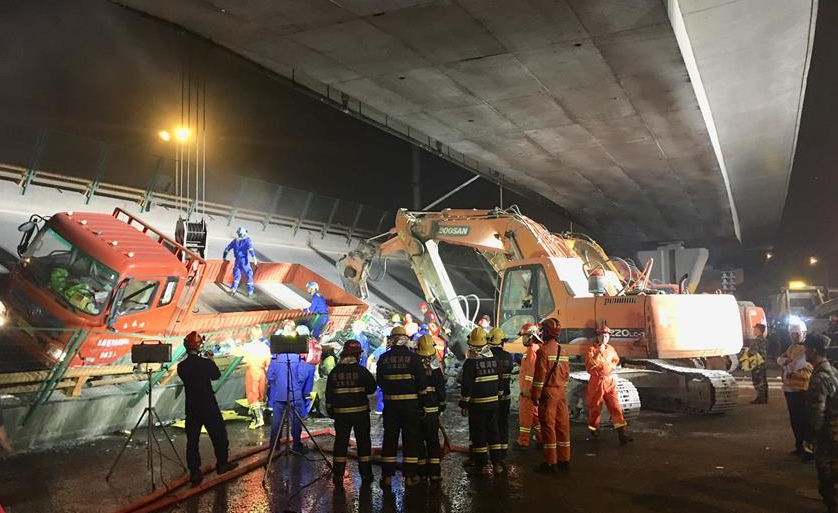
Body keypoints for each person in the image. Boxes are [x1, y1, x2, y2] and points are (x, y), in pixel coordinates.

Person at [177, 331, 238, 485]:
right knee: (219, 436)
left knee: (192, 441)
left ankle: (195, 472)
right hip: (208, 405)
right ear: (199, 346)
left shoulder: (181, 366)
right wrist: (210, 360)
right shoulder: (206, 363)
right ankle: (222, 464)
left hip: (192, 407)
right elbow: (216, 375)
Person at [377, 326, 426, 489]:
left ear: (391, 339)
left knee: (389, 439)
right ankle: (410, 477)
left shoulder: (383, 358)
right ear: (406, 339)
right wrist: (423, 404)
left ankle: (387, 477)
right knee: (410, 440)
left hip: (391, 406)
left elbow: (380, 382)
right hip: (410, 406)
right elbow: (421, 384)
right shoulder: (414, 358)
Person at [326, 339, 377, 486]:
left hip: (341, 414)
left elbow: (329, 395)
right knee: (363, 443)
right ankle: (366, 475)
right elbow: (372, 388)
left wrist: (332, 411)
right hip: (360, 414)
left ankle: (338, 475)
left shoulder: (335, 372)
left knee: (340, 443)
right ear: (356, 355)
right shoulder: (362, 371)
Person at [460, 327, 505, 475]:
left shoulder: (470, 363)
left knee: (478, 434)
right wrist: (498, 397)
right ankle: (497, 464)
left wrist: (464, 403)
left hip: (477, 405)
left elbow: (467, 386)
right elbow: (500, 382)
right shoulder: (495, 360)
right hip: (493, 404)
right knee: (494, 432)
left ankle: (482, 465)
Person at [531, 318, 570, 473]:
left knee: (548, 427)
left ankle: (550, 463)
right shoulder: (563, 350)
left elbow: (539, 377)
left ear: (546, 332)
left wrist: (535, 396)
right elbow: (566, 374)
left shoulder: (543, 351)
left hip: (548, 393)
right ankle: (564, 459)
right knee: (562, 426)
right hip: (561, 392)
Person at [805, 333, 838, 513]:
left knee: (828, 482)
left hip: (828, 437)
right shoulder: (832, 371)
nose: (804, 352)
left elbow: (817, 412)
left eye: (806, 349)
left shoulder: (819, 377)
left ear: (813, 350)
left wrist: (812, 438)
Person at [585, 323, 632, 445]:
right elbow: (590, 366)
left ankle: (622, 433)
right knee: (595, 408)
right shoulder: (592, 349)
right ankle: (594, 432)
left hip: (610, 381)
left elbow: (616, 360)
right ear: (598, 336)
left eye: (607, 336)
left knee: (616, 407)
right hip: (597, 382)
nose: (605, 338)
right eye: (602, 335)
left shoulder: (610, 349)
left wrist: (610, 367)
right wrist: (598, 353)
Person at [778, 319, 814, 460]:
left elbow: (795, 365)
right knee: (795, 420)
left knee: (804, 421)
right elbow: (781, 359)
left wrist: (786, 364)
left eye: (796, 334)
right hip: (790, 389)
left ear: (803, 333)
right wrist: (785, 362)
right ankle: (799, 446)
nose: (794, 336)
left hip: (801, 390)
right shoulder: (791, 347)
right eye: (792, 334)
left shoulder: (806, 349)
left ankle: (808, 451)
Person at [267, 349, 311, 453]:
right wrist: (296, 386)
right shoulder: (299, 359)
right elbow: (302, 376)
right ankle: (296, 446)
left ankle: (274, 446)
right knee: (295, 422)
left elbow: (270, 376)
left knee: (277, 422)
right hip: (294, 395)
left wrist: (278, 386)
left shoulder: (275, 358)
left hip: (279, 395)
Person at [417, 334, 446, 482]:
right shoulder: (436, 371)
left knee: (419, 441)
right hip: (433, 411)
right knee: (433, 441)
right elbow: (441, 393)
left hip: (418, 412)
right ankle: (435, 473)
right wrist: (441, 406)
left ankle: (421, 473)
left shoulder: (415, 371)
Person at [231, 326, 271, 429]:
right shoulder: (265, 347)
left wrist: (231, 343)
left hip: (252, 371)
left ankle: (258, 420)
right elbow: (268, 363)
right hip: (262, 372)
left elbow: (236, 352)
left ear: (251, 335)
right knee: (261, 395)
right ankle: (260, 416)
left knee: (252, 395)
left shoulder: (248, 346)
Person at [488, 327, 513, 458]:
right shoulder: (508, 356)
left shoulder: (488, 357)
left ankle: (493, 451)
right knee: (503, 422)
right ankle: (503, 450)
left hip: (492, 397)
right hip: (506, 396)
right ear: (502, 342)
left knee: (491, 424)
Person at [516, 322, 542, 449]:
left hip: (528, 391)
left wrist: (526, 389)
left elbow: (530, 373)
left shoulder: (531, 351)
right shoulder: (536, 349)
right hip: (533, 390)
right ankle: (542, 438)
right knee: (535, 416)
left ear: (531, 336)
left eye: (525, 336)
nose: (523, 339)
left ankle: (523, 441)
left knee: (525, 415)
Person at [223, 226, 258, 296]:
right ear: (243, 234)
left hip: (237, 261)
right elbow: (250, 249)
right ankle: (250, 292)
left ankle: (233, 289)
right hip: (244, 260)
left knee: (237, 275)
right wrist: (254, 258)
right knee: (249, 274)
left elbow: (226, 249)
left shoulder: (235, 241)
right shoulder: (247, 241)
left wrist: (224, 257)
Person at [741, 323, 769, 404]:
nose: (754, 330)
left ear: (758, 330)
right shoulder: (765, 340)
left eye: (755, 329)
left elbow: (752, 352)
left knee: (757, 381)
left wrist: (747, 352)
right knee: (763, 380)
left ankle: (760, 398)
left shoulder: (756, 341)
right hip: (763, 362)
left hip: (756, 362)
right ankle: (765, 397)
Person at [312, 341, 338, 418]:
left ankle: (322, 411)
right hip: (324, 381)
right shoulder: (329, 358)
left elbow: (330, 371)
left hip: (324, 381)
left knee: (322, 397)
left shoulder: (329, 359)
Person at [299, 325, 320, 414]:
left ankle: (300, 412)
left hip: (303, 366)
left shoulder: (302, 342)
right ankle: (306, 411)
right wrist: (317, 371)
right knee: (307, 391)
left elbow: (300, 356)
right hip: (312, 367)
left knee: (299, 390)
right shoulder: (315, 342)